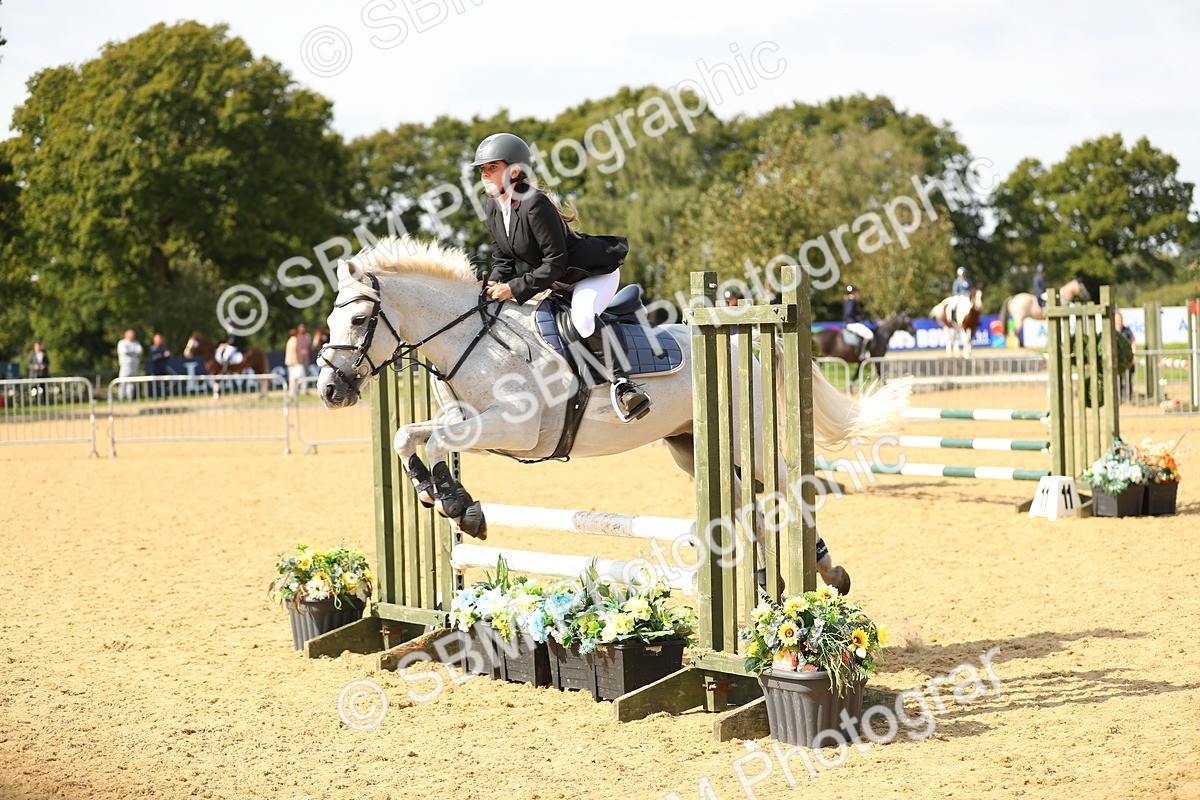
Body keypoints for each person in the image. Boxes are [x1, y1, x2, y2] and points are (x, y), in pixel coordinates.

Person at [474, 132, 650, 422]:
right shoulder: (492, 207)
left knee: (582, 318)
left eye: (492, 167)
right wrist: (493, 284)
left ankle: (624, 385)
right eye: (483, 169)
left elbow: (556, 262)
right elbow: (503, 259)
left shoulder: (534, 203)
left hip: (590, 275)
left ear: (515, 171)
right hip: (555, 281)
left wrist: (514, 288)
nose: (485, 174)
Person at [842, 285, 874, 358]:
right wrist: (859, 317)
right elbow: (849, 313)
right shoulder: (851, 301)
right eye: (857, 292)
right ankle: (863, 353)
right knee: (869, 335)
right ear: (854, 293)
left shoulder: (847, 300)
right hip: (852, 324)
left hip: (849, 323)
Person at [117, 329, 143, 401]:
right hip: (125, 366)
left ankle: (130, 398)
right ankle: (121, 398)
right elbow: (125, 351)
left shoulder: (136, 343)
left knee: (131, 383)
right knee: (123, 382)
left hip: (134, 366)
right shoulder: (122, 343)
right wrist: (134, 352)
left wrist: (132, 352)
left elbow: (140, 351)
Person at [148, 333, 171, 398]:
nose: (159, 340)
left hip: (163, 369)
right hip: (155, 369)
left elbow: (168, 355)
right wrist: (162, 355)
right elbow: (154, 358)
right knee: (155, 384)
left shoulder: (164, 348)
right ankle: (155, 396)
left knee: (165, 383)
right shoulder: (152, 348)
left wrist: (162, 356)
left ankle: (164, 396)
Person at [285, 327, 304, 397]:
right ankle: (294, 392)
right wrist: (297, 362)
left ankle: (292, 392)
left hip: (290, 362)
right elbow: (295, 352)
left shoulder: (290, 340)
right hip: (294, 362)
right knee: (295, 378)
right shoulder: (295, 340)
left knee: (292, 378)